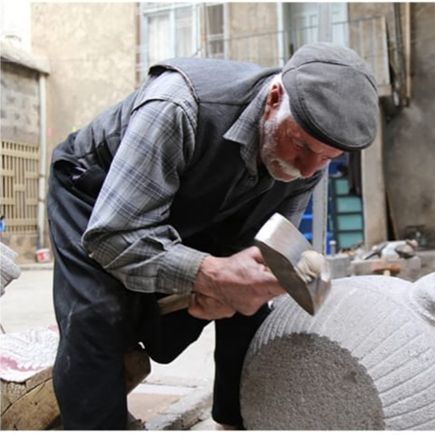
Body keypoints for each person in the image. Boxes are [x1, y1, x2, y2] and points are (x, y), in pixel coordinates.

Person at [46, 42, 379, 430]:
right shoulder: (178, 107)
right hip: (97, 191)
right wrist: (209, 274)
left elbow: (258, 252)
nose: (308, 170)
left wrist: (234, 286)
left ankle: (238, 421)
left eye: (328, 157)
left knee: (247, 304)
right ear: (274, 99)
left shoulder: (309, 157)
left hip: (193, 196)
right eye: (302, 145)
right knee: (97, 318)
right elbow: (115, 234)